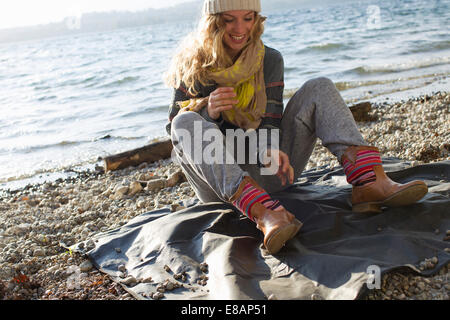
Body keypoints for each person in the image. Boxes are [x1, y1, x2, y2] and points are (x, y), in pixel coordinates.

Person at [164, 0, 428, 254]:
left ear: (257, 19)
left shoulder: (269, 60)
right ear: (213, 23)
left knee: (319, 86)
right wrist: (208, 112)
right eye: (229, 20)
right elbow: (176, 135)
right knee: (184, 121)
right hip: (222, 188)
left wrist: (270, 149)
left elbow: (270, 118)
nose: (240, 29)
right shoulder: (193, 66)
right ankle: (266, 214)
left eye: (248, 18)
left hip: (267, 171)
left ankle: (369, 182)